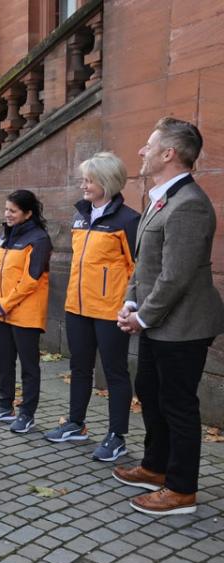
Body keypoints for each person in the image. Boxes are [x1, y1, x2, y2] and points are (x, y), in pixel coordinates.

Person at [114, 117, 224, 516]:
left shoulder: (190, 204)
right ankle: (156, 467)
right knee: (152, 395)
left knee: (177, 405)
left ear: (168, 154)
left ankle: (181, 490)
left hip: (183, 327)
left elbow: (175, 276)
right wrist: (129, 303)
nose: (141, 152)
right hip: (158, 322)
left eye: (148, 145)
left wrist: (142, 318)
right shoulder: (160, 198)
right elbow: (144, 264)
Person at [44, 152, 140, 460]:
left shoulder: (128, 220)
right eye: (84, 179)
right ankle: (76, 423)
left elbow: (138, 268)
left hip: (110, 310)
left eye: (89, 180)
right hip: (77, 307)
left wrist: (131, 304)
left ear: (106, 182)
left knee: (115, 372)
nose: (83, 185)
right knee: (79, 367)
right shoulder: (81, 216)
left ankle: (117, 435)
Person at [0, 190, 52, 435]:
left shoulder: (39, 239)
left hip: (26, 313)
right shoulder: (6, 236)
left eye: (13, 211)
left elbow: (31, 279)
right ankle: (4, 406)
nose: (7, 215)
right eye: (6, 210)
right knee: (4, 361)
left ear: (28, 213)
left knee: (29, 366)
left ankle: (27, 414)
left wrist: (6, 303)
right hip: (2, 310)